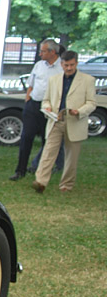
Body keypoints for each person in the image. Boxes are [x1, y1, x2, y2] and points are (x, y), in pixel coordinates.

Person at [32, 50, 96, 193]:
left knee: (71, 156)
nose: (69, 68)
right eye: (66, 65)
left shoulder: (88, 80)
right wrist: (47, 108)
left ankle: (66, 185)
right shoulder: (53, 80)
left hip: (74, 120)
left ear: (76, 63)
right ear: (61, 64)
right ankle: (40, 182)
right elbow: (46, 100)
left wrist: (79, 111)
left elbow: (91, 103)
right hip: (56, 120)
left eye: (72, 65)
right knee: (48, 152)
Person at [11, 39, 62, 180]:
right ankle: (20, 170)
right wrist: (28, 99)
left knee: (48, 141)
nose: (40, 54)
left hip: (50, 109)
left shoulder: (62, 67)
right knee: (26, 138)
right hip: (33, 105)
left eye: (43, 51)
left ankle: (43, 172)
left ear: (52, 52)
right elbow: (31, 84)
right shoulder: (39, 65)